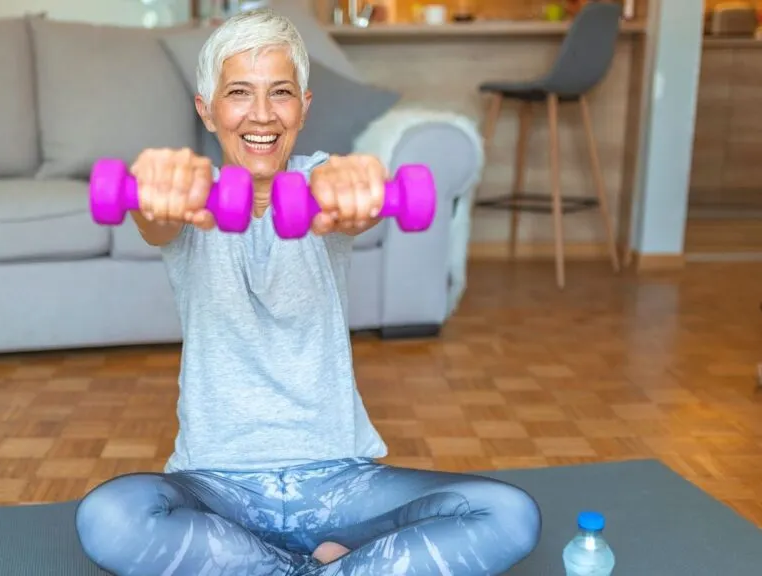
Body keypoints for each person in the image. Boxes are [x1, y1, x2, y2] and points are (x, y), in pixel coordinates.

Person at [75, 8, 541, 575]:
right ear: (208, 109)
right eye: (239, 93)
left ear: (304, 106)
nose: (262, 114)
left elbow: (350, 202)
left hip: (343, 485)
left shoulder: (325, 186)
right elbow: (155, 222)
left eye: (281, 93)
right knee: (110, 516)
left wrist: (355, 185)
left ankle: (274, 567)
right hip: (218, 488)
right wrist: (154, 186)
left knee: (508, 514)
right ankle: (320, 568)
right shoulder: (190, 198)